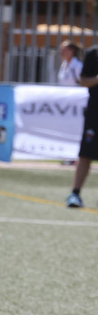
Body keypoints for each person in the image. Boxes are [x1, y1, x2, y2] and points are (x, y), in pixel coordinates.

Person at [66, 45, 98, 208]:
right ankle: (75, 193)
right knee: (86, 154)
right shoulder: (93, 53)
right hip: (95, 111)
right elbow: (83, 81)